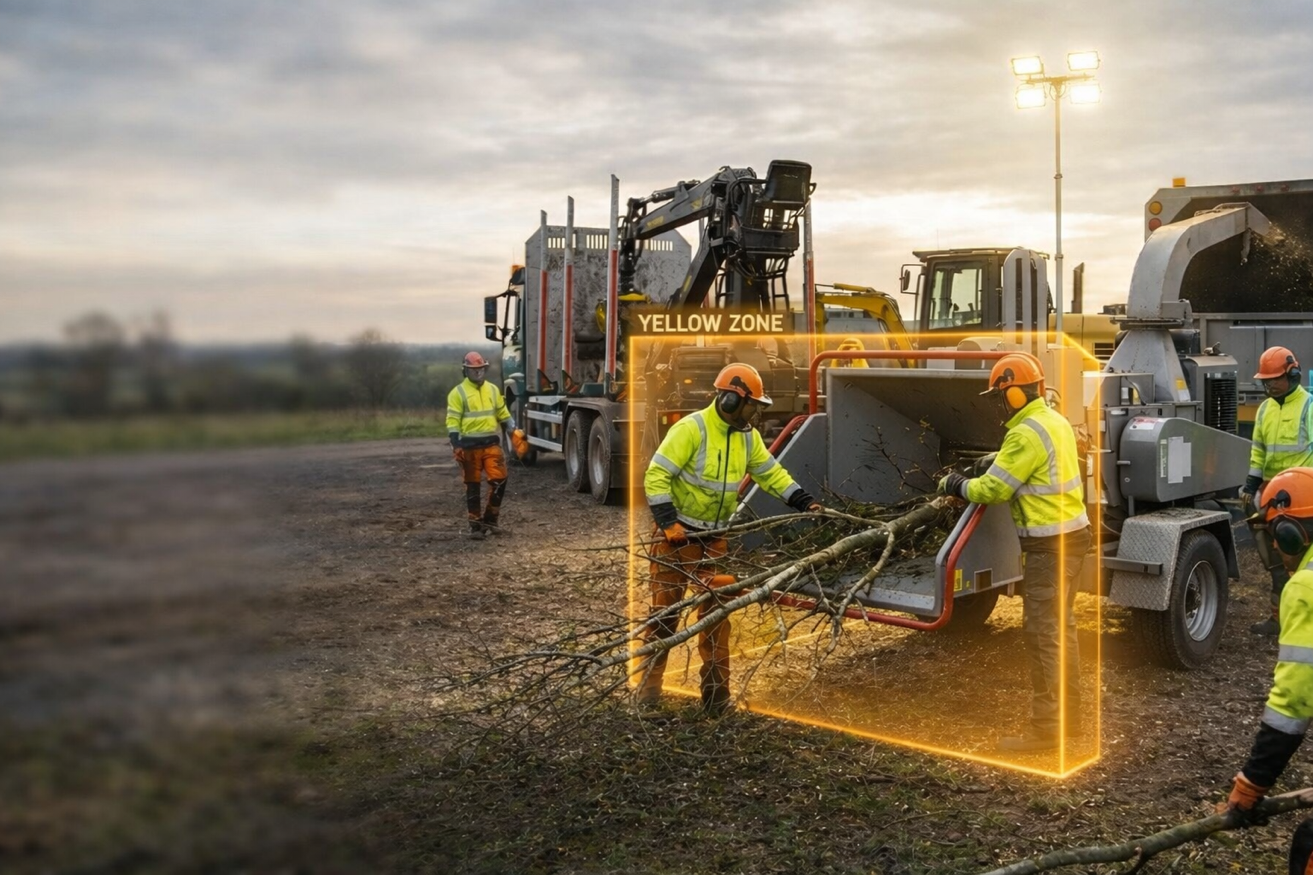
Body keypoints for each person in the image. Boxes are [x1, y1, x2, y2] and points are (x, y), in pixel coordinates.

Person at [637, 362, 822, 716]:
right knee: (665, 614)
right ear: (730, 400)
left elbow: (770, 473)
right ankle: (647, 694)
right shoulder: (690, 429)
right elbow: (656, 476)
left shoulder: (747, 436)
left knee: (718, 613)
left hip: (713, 539)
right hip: (677, 537)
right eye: (752, 405)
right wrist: (667, 523)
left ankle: (716, 696)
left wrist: (803, 500)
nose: (754, 413)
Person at [938, 351, 1092, 752]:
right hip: (1072, 539)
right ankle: (1068, 720)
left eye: (1001, 396)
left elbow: (995, 489)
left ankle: (1046, 732)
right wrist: (992, 461)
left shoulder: (1024, 433)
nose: (1001, 404)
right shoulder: (1054, 421)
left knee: (1043, 636)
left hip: (1049, 548)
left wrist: (957, 485)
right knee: (1061, 632)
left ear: (1016, 395)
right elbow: (1026, 466)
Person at [1219, 468, 1313, 865]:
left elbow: (1292, 704)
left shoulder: (1306, 587)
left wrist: (1251, 784)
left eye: (1276, 535)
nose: (1275, 547)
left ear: (1293, 532)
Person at [1242, 347, 1313, 636]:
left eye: (1274, 379)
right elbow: (1258, 451)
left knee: (1301, 562)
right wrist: (1250, 484)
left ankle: (1302, 623)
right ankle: (1278, 620)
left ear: (1293, 374)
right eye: (1265, 381)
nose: (1269, 385)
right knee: (1276, 565)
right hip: (1272, 495)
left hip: (1303, 499)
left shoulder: (1309, 407)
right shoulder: (1265, 410)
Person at [446, 351, 519, 540]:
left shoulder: (493, 390)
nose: (478, 373)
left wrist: (514, 431)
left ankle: (491, 521)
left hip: (491, 445)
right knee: (473, 486)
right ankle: (475, 526)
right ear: (466, 371)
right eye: (474, 370)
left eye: (481, 369)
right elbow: (452, 420)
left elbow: (503, 413)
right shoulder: (458, 393)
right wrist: (456, 444)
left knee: (500, 481)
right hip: (468, 447)